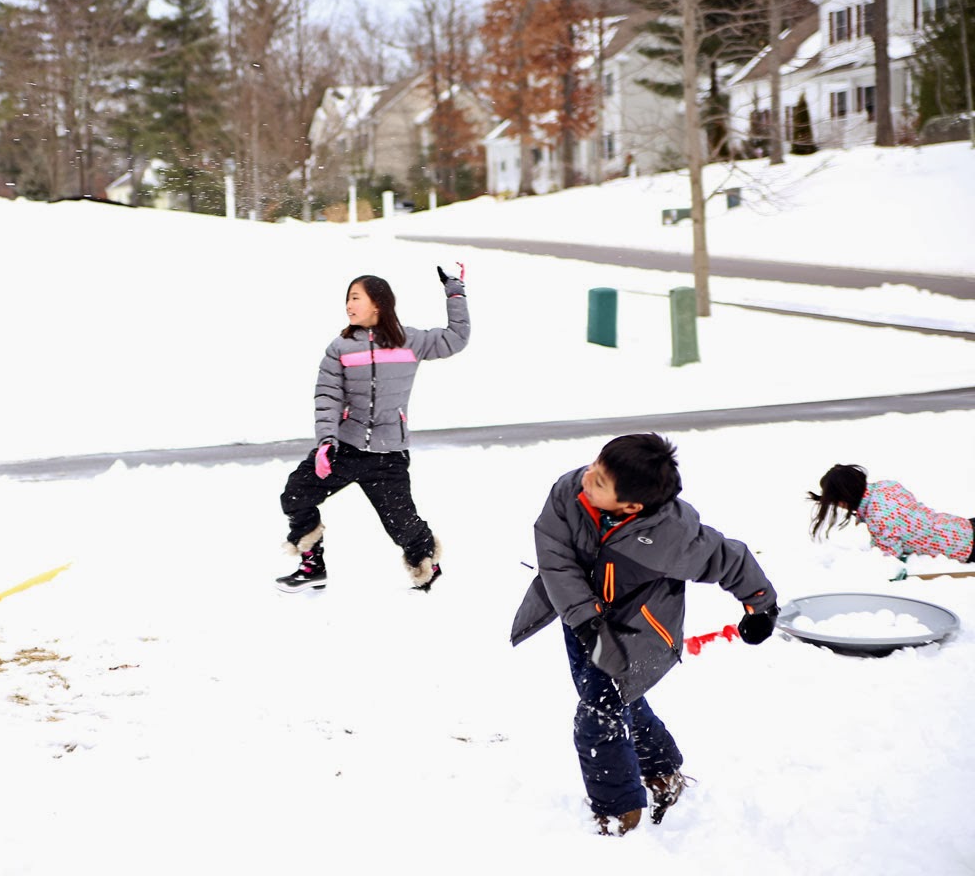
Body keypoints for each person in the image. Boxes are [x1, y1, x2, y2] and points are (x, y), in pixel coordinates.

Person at [509, 433, 778, 836]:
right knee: (620, 702)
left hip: (638, 634)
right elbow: (556, 558)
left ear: (631, 506)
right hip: (580, 620)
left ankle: (619, 814)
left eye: (600, 481)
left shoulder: (672, 537)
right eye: (594, 466)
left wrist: (761, 605)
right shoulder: (568, 492)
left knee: (597, 717)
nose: (587, 477)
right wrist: (585, 622)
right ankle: (664, 771)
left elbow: (729, 558)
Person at [275, 267, 469, 594]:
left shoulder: (411, 341)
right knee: (296, 494)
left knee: (402, 526)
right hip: (345, 449)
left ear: (377, 304)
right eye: (347, 299)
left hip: (389, 454)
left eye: (355, 298)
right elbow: (327, 397)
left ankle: (427, 566)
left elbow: (455, 338)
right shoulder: (340, 347)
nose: (348, 305)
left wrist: (455, 291)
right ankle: (312, 565)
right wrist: (326, 442)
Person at [809, 464, 974, 564]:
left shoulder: (879, 518)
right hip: (963, 526)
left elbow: (889, 560)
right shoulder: (886, 486)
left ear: (844, 498)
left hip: (967, 548)